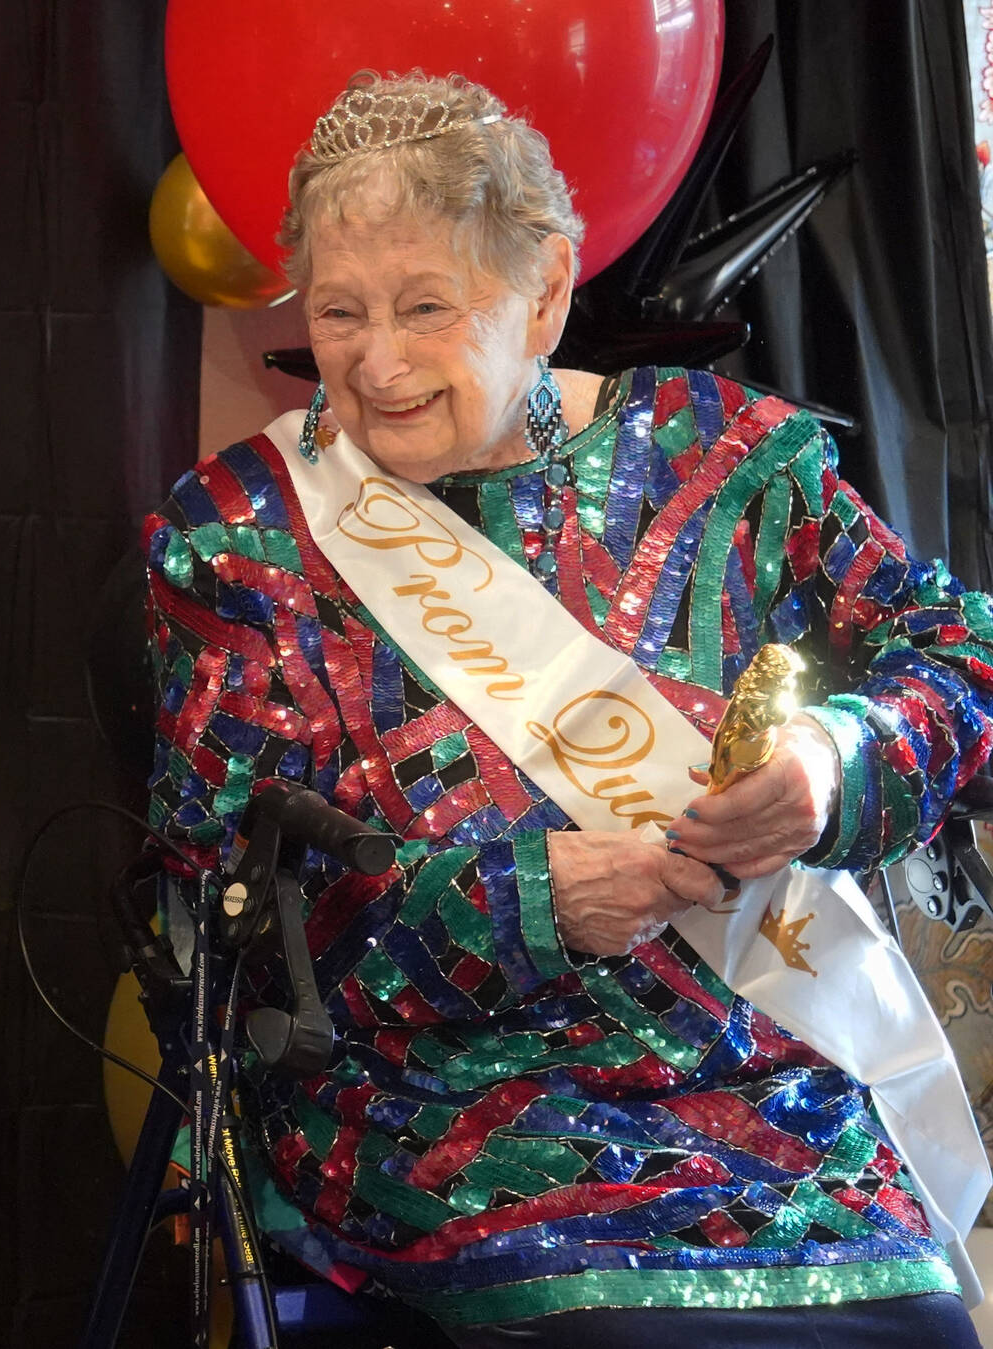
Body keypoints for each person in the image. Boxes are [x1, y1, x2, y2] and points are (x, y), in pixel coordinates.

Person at [143, 73, 993, 1348]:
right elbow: (224, 912)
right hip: (438, 1116)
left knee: (917, 1332)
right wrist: (532, 904)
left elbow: (954, 649)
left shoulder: (725, 460)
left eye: (425, 307)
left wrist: (831, 760)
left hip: (762, 1092)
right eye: (336, 311)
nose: (373, 362)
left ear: (542, 294)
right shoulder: (240, 534)